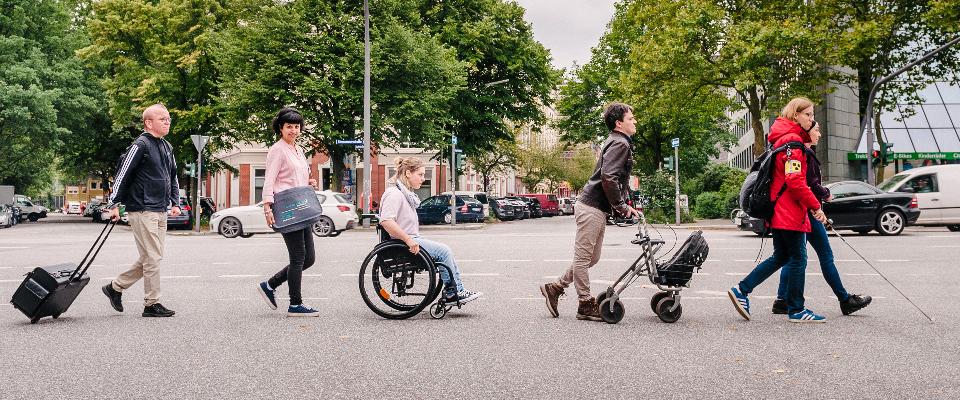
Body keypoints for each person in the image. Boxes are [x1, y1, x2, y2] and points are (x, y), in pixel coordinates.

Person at [728, 97, 829, 323]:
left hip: (780, 211)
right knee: (798, 259)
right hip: (789, 212)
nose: (812, 120)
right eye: (808, 115)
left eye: (812, 115)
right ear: (795, 116)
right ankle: (796, 309)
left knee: (781, 257)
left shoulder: (782, 139)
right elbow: (795, 181)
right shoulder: (793, 143)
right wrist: (815, 206)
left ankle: (741, 290)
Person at [539, 102, 640, 321]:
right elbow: (609, 177)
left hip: (596, 208)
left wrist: (624, 203)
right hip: (591, 207)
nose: (635, 121)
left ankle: (555, 287)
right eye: (631, 119)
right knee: (584, 259)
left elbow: (613, 179)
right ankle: (585, 304)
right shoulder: (620, 143)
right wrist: (621, 206)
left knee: (591, 258)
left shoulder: (617, 141)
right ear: (619, 123)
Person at [769, 121, 872, 315]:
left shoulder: (796, 150)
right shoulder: (802, 152)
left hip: (800, 212)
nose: (819, 133)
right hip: (807, 212)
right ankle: (845, 300)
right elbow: (807, 182)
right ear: (806, 130)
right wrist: (824, 195)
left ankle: (782, 300)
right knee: (825, 257)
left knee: (793, 258)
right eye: (816, 128)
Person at [102, 104, 180, 318]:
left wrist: (175, 201)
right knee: (153, 257)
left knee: (151, 257)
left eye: (169, 118)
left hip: (161, 208)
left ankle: (115, 288)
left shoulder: (167, 146)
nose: (167, 121)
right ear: (148, 123)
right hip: (142, 209)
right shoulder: (140, 145)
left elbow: (172, 176)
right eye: (162, 118)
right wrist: (114, 204)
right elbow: (122, 175)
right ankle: (151, 303)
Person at [378, 157, 482, 304]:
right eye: (420, 175)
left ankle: (454, 290)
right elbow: (386, 221)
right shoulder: (394, 194)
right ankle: (454, 292)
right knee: (443, 251)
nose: (423, 179)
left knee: (444, 250)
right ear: (408, 173)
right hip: (403, 244)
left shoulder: (405, 194)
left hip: (410, 240)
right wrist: (408, 240)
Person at [255, 108, 321, 317]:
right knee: (299, 257)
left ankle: (270, 285)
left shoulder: (297, 149)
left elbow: (295, 176)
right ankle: (295, 304)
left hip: (301, 207)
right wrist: (267, 206)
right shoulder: (278, 150)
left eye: (296, 126)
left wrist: (308, 182)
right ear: (281, 128)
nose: (293, 130)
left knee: (309, 258)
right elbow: (270, 179)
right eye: (289, 127)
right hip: (287, 208)